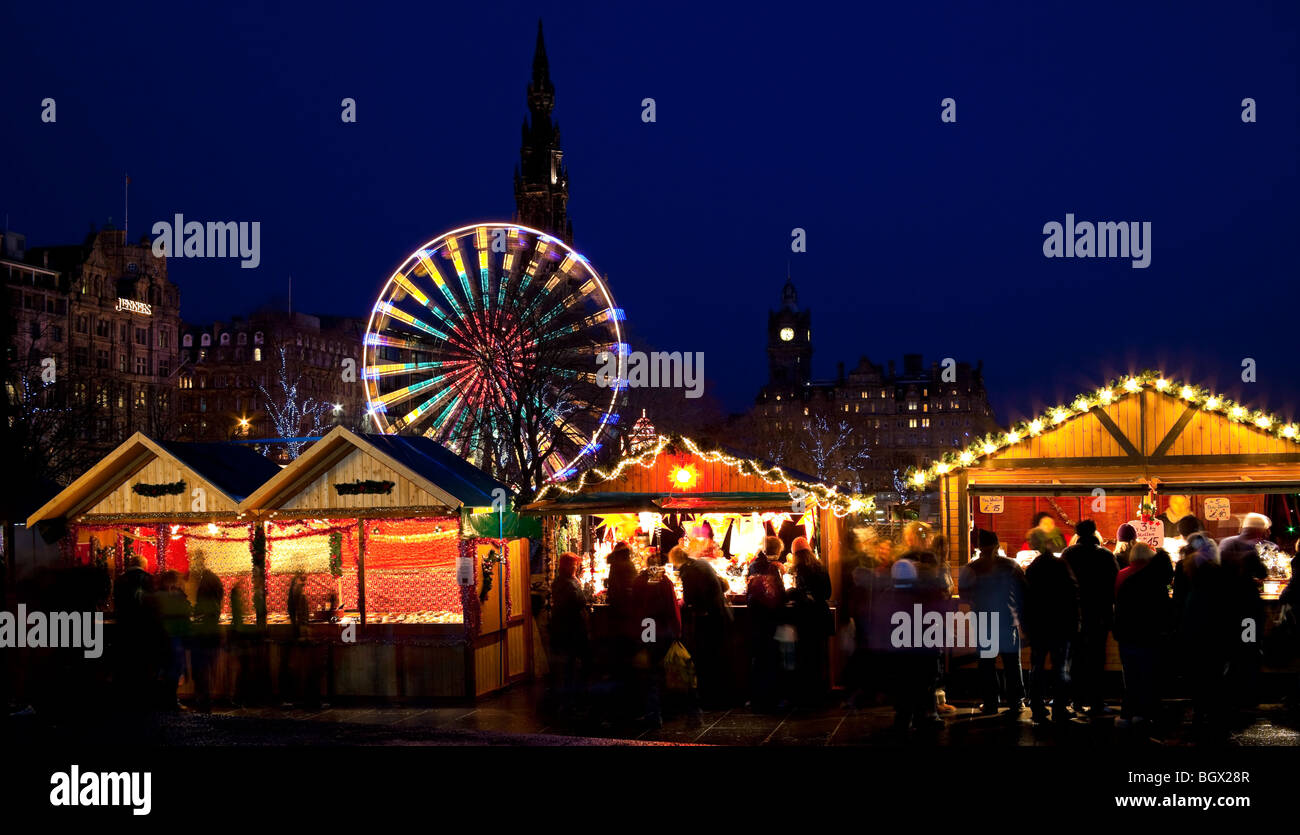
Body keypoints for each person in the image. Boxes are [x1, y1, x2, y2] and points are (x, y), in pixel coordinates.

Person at [959, 529, 1026, 719]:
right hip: (1007, 618)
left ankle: (991, 703)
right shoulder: (1011, 565)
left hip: (983, 619)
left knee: (987, 663)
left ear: (978, 547)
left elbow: (964, 595)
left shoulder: (971, 568)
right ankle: (1015, 702)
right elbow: (1024, 589)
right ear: (997, 545)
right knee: (1012, 662)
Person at [872, 559, 945, 731]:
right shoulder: (923, 595)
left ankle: (903, 719)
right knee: (921, 686)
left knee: (902, 689)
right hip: (921, 652)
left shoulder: (886, 597)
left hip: (897, 654)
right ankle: (922, 718)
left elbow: (880, 625)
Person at [1174, 533, 1234, 741]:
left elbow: (1179, 603)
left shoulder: (1185, 571)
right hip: (1214, 633)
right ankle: (1215, 719)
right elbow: (1228, 609)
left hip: (1192, 631)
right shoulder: (1219, 574)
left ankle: (1200, 715)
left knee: (1197, 676)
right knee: (1214, 675)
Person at [1061, 519, 1119, 717]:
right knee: (1096, 659)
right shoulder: (1105, 554)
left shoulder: (1068, 554)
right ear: (1094, 533)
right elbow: (1115, 584)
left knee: (1075, 658)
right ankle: (1097, 702)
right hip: (1099, 615)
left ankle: (1075, 701)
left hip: (1074, 614)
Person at [1216, 512, 1271, 720]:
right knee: (1248, 648)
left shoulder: (1226, 543)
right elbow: (1262, 572)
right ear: (1257, 529)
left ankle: (1227, 692)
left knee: (1230, 649)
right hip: (1247, 610)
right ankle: (1246, 694)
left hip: (1226, 608)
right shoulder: (1249, 549)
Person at [1113, 544, 1174, 729]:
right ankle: (1143, 714)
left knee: (1131, 678)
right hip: (1150, 638)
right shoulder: (1158, 585)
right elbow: (1165, 614)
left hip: (1128, 636)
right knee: (1148, 677)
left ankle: (1127, 714)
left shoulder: (1130, 579)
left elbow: (1120, 608)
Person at [1023, 541, 1080, 724]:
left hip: (1038, 626)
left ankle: (1037, 707)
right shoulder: (1062, 566)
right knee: (1060, 669)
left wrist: (1027, 625)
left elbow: (1026, 598)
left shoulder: (1033, 569)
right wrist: (1074, 624)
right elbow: (1073, 595)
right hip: (1061, 626)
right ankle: (1059, 708)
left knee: (1037, 668)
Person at [668, 544, 731, 708]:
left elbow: (689, 598)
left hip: (707, 619)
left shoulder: (689, 571)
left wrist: (680, 603)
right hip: (720, 614)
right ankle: (721, 696)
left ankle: (708, 697)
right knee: (718, 656)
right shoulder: (701, 563)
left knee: (706, 658)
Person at [632, 552, 681, 727]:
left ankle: (653, 713)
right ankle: (666, 710)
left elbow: (637, 609)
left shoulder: (640, 582)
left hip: (648, 626)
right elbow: (673, 607)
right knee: (662, 668)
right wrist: (677, 629)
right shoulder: (665, 582)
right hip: (664, 627)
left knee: (650, 670)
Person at [788, 537, 832, 709]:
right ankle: (821, 693)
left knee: (807, 657)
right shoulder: (820, 567)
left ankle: (809, 696)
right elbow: (827, 593)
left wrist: (791, 592)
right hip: (822, 616)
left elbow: (801, 595)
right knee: (819, 656)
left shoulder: (802, 570)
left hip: (808, 619)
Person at [745, 536, 788, 711]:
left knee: (757, 658)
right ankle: (774, 698)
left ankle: (756, 698)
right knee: (773, 657)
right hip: (771, 619)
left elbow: (749, 592)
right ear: (778, 550)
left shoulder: (753, 565)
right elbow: (781, 595)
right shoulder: (775, 568)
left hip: (755, 618)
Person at [548, 552, 591, 720]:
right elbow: (579, 601)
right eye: (574, 565)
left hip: (565, 628)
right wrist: (584, 590)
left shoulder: (560, 581)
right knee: (578, 662)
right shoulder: (569, 583)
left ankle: (569, 700)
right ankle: (575, 699)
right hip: (573, 628)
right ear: (569, 566)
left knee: (570, 664)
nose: (576, 567)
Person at [113, 553, 157, 708]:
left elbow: (116, 603)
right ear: (143, 565)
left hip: (125, 626)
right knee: (144, 663)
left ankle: (127, 700)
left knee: (127, 663)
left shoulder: (120, 579)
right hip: (144, 627)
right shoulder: (148, 579)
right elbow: (153, 604)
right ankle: (144, 699)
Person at [604, 542, 639, 720]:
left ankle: (620, 680)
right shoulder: (627, 565)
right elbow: (632, 588)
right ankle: (630, 683)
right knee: (631, 648)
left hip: (615, 613)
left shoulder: (614, 565)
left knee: (619, 649)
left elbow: (614, 589)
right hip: (628, 614)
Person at [190, 553, 224, 712]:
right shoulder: (212, 581)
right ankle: (206, 700)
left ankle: (203, 701)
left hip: (202, 636)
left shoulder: (205, 583)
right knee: (208, 669)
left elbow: (200, 611)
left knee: (201, 670)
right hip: (212, 636)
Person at [153, 570, 191, 710]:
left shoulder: (154, 597)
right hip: (174, 638)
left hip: (158, 638)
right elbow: (186, 616)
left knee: (161, 671)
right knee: (174, 672)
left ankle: (161, 701)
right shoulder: (178, 598)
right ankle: (171, 701)